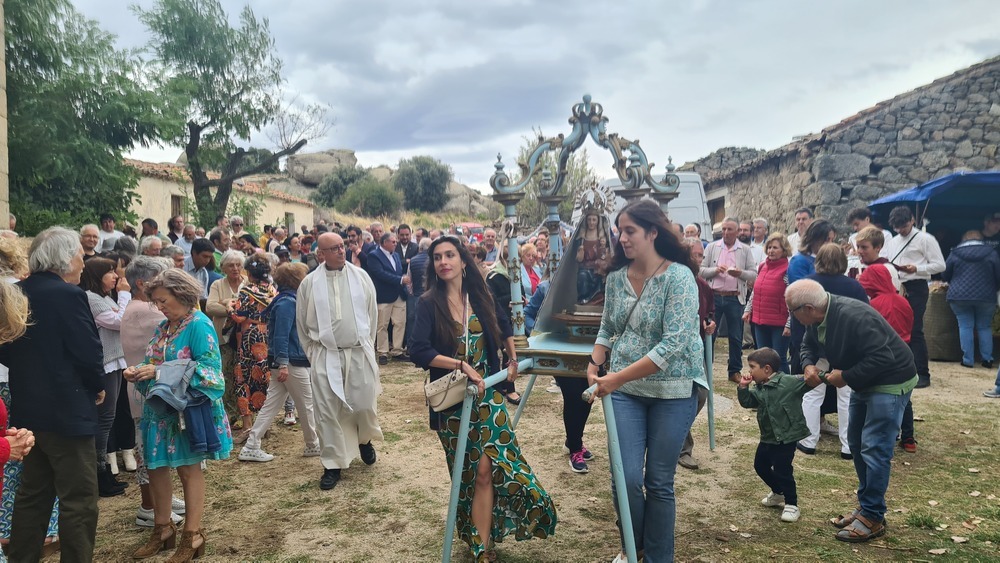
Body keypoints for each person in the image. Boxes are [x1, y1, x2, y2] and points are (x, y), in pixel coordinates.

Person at [410, 235, 555, 561]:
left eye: (450, 255)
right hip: (453, 402)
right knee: (471, 473)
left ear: (463, 261)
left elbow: (503, 324)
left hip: (488, 396)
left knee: (491, 468)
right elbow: (418, 350)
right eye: (437, 257)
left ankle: (485, 537)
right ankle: (481, 542)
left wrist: (513, 357)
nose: (443, 261)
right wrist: (460, 365)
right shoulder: (428, 303)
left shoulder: (481, 294)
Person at [587, 200, 706, 562]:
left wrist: (613, 378)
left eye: (630, 231)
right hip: (625, 391)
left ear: (653, 232)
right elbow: (608, 326)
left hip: (675, 388)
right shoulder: (616, 278)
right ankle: (632, 548)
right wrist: (595, 361)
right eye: (619, 231)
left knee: (658, 481)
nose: (621, 238)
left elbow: (673, 345)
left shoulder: (680, 277)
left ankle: (657, 557)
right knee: (625, 479)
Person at [0, 227, 104, 562]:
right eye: (78, 255)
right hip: (67, 411)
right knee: (79, 500)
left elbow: (5, 348)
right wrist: (97, 384)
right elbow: (87, 350)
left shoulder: (16, 292)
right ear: (62, 258)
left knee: (33, 495)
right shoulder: (68, 295)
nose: (83, 263)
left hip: (29, 408)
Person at [789, 279, 915, 543]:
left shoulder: (853, 316)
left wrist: (845, 376)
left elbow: (884, 357)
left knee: (875, 447)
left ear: (809, 308)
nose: (791, 316)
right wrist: (808, 364)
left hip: (890, 381)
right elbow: (808, 346)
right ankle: (866, 506)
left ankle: (873, 516)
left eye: (792, 310)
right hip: (865, 380)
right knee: (857, 444)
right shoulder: (817, 319)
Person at [124, 269, 233, 560]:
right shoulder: (164, 326)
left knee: (188, 470)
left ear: (182, 294)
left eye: (163, 300)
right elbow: (154, 359)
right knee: (156, 468)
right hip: (160, 410)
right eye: (156, 302)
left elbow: (212, 375)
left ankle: (192, 535)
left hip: (186, 412)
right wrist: (138, 370)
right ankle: (163, 529)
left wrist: (158, 371)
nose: (159, 307)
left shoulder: (199, 325)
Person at [297, 233, 382, 490]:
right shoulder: (309, 284)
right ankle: (332, 464)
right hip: (326, 356)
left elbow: (372, 315)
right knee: (328, 409)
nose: (341, 251)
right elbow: (302, 324)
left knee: (364, 402)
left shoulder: (361, 277)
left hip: (358, 352)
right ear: (320, 254)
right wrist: (314, 352)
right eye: (333, 248)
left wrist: (365, 343)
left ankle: (364, 439)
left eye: (342, 246)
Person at [121, 257, 185, 529]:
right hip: (147, 391)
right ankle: (149, 507)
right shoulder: (145, 311)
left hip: (149, 388)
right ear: (142, 283)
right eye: (160, 279)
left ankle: (160, 502)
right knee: (148, 453)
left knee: (151, 451)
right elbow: (182, 323)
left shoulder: (139, 306)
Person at [239, 263, 320, 462]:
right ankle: (312, 444)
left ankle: (251, 445)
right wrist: (283, 362)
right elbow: (281, 336)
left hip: (283, 361)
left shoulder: (284, 300)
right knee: (306, 404)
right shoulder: (287, 303)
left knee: (272, 405)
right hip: (290, 362)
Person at [798, 244, 867, 459]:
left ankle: (808, 441)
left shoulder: (808, 284)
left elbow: (799, 315)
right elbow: (864, 315)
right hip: (848, 348)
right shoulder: (854, 286)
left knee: (812, 393)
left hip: (818, 346)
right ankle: (848, 446)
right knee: (846, 396)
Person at [737, 347, 819, 524]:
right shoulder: (760, 387)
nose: (749, 371)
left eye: (752, 366)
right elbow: (748, 402)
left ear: (767, 369)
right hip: (767, 436)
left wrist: (828, 376)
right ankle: (778, 492)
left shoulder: (789, 382)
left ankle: (792, 503)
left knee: (783, 470)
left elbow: (811, 379)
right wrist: (743, 388)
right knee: (760, 465)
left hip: (787, 437)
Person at [81, 257, 133, 497]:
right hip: (105, 364)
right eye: (110, 272)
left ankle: (103, 472)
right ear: (96, 275)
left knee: (109, 418)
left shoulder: (103, 298)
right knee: (104, 419)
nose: (115, 276)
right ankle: (99, 472)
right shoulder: (91, 298)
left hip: (114, 362)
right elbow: (122, 322)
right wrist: (123, 295)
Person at [884, 206, 945, 388]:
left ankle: (922, 373)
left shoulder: (925, 239)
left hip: (916, 285)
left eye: (903, 226)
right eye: (897, 227)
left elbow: (940, 265)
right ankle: (901, 369)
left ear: (912, 220)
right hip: (897, 286)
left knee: (915, 329)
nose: (900, 230)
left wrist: (917, 268)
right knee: (895, 328)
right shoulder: (894, 241)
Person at [699, 217, 758, 382]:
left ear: (737, 231)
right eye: (723, 229)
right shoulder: (712, 247)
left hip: (734, 297)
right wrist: (715, 270)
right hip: (714, 297)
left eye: (729, 229)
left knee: (735, 336)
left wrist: (740, 274)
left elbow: (753, 273)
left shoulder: (744, 250)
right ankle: (705, 369)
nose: (725, 232)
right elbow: (701, 270)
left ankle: (734, 371)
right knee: (709, 334)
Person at [229, 255, 276, 443]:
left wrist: (229, 307)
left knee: (243, 377)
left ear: (248, 273)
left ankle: (248, 426)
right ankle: (264, 425)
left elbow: (239, 317)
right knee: (264, 377)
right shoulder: (272, 290)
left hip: (251, 335)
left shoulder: (247, 291)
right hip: (267, 335)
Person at [678, 238, 716, 471]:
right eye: (695, 255)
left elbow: (709, 313)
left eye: (701, 255)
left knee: (700, 395)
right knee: (679, 398)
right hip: (673, 352)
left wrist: (710, 324)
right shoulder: (668, 281)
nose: (699, 260)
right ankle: (682, 448)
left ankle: (673, 435)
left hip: (695, 349)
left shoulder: (703, 286)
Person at [942, 230, 1000, 369]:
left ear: (964, 239)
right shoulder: (991, 253)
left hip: (959, 295)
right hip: (986, 296)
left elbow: (945, 274)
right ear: (981, 239)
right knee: (984, 326)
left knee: (965, 326)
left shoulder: (955, 253)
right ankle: (987, 359)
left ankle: (968, 360)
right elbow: (998, 275)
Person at [743, 233, 792, 373]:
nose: (771, 250)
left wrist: (789, 323)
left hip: (779, 324)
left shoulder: (787, 270)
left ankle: (783, 390)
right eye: (769, 247)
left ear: (784, 250)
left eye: (775, 247)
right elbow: (755, 292)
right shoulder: (762, 266)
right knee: (762, 359)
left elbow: (792, 297)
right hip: (760, 321)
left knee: (779, 358)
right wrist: (748, 310)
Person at [367, 232, 410, 364]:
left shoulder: (396, 255)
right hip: (384, 295)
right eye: (393, 242)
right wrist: (401, 280)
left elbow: (397, 271)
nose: (395, 244)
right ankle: (383, 352)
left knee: (400, 323)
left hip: (398, 294)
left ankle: (397, 350)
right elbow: (380, 274)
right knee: (382, 325)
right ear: (384, 243)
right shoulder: (374, 256)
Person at [573, 208, 611, 304]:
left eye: (594, 220)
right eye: (589, 219)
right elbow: (578, 258)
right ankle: (583, 300)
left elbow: (605, 257)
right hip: (584, 268)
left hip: (598, 269)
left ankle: (597, 300)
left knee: (601, 279)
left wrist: (602, 247)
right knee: (582, 277)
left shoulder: (602, 237)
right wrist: (580, 251)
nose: (591, 222)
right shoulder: (581, 237)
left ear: (598, 221)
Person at [847, 226, 901, 292]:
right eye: (858, 247)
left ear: (878, 248)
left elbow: (893, 295)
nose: (859, 251)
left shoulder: (887, 268)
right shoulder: (854, 267)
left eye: (864, 247)